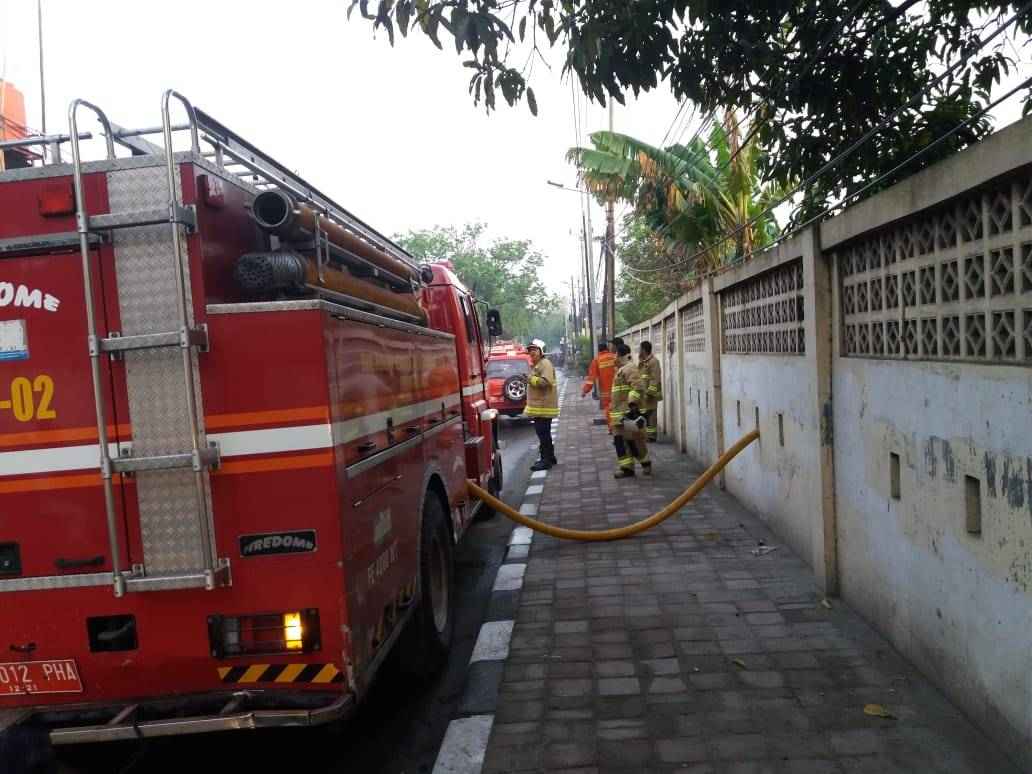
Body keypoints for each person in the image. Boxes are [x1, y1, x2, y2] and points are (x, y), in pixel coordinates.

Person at [609, 343, 651, 478]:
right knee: (620, 442)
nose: (613, 357)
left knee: (635, 441)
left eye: (615, 354)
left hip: (627, 414)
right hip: (619, 416)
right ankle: (627, 468)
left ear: (619, 355)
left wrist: (632, 404)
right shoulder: (621, 369)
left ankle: (645, 464)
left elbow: (638, 387)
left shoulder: (629, 368)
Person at [525, 339, 559, 471]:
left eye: (534, 349)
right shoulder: (538, 364)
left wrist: (530, 379)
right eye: (530, 350)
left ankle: (546, 460)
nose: (531, 352)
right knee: (544, 434)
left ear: (541, 351)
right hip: (541, 407)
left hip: (543, 407)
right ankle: (550, 457)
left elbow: (545, 382)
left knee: (543, 434)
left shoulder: (545, 364)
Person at [581, 340, 618, 431]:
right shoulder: (614, 357)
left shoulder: (597, 360)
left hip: (606, 391)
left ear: (599, 350)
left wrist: (585, 391)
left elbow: (591, 378)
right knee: (617, 408)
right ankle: (619, 428)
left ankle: (612, 429)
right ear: (607, 348)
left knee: (608, 409)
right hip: (618, 388)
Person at [638, 340, 663, 442]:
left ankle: (652, 436)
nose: (639, 351)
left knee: (651, 415)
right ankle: (647, 435)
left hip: (650, 394)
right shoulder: (643, 361)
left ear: (644, 350)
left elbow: (655, 378)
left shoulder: (654, 362)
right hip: (644, 393)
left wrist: (649, 393)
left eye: (640, 349)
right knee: (646, 415)